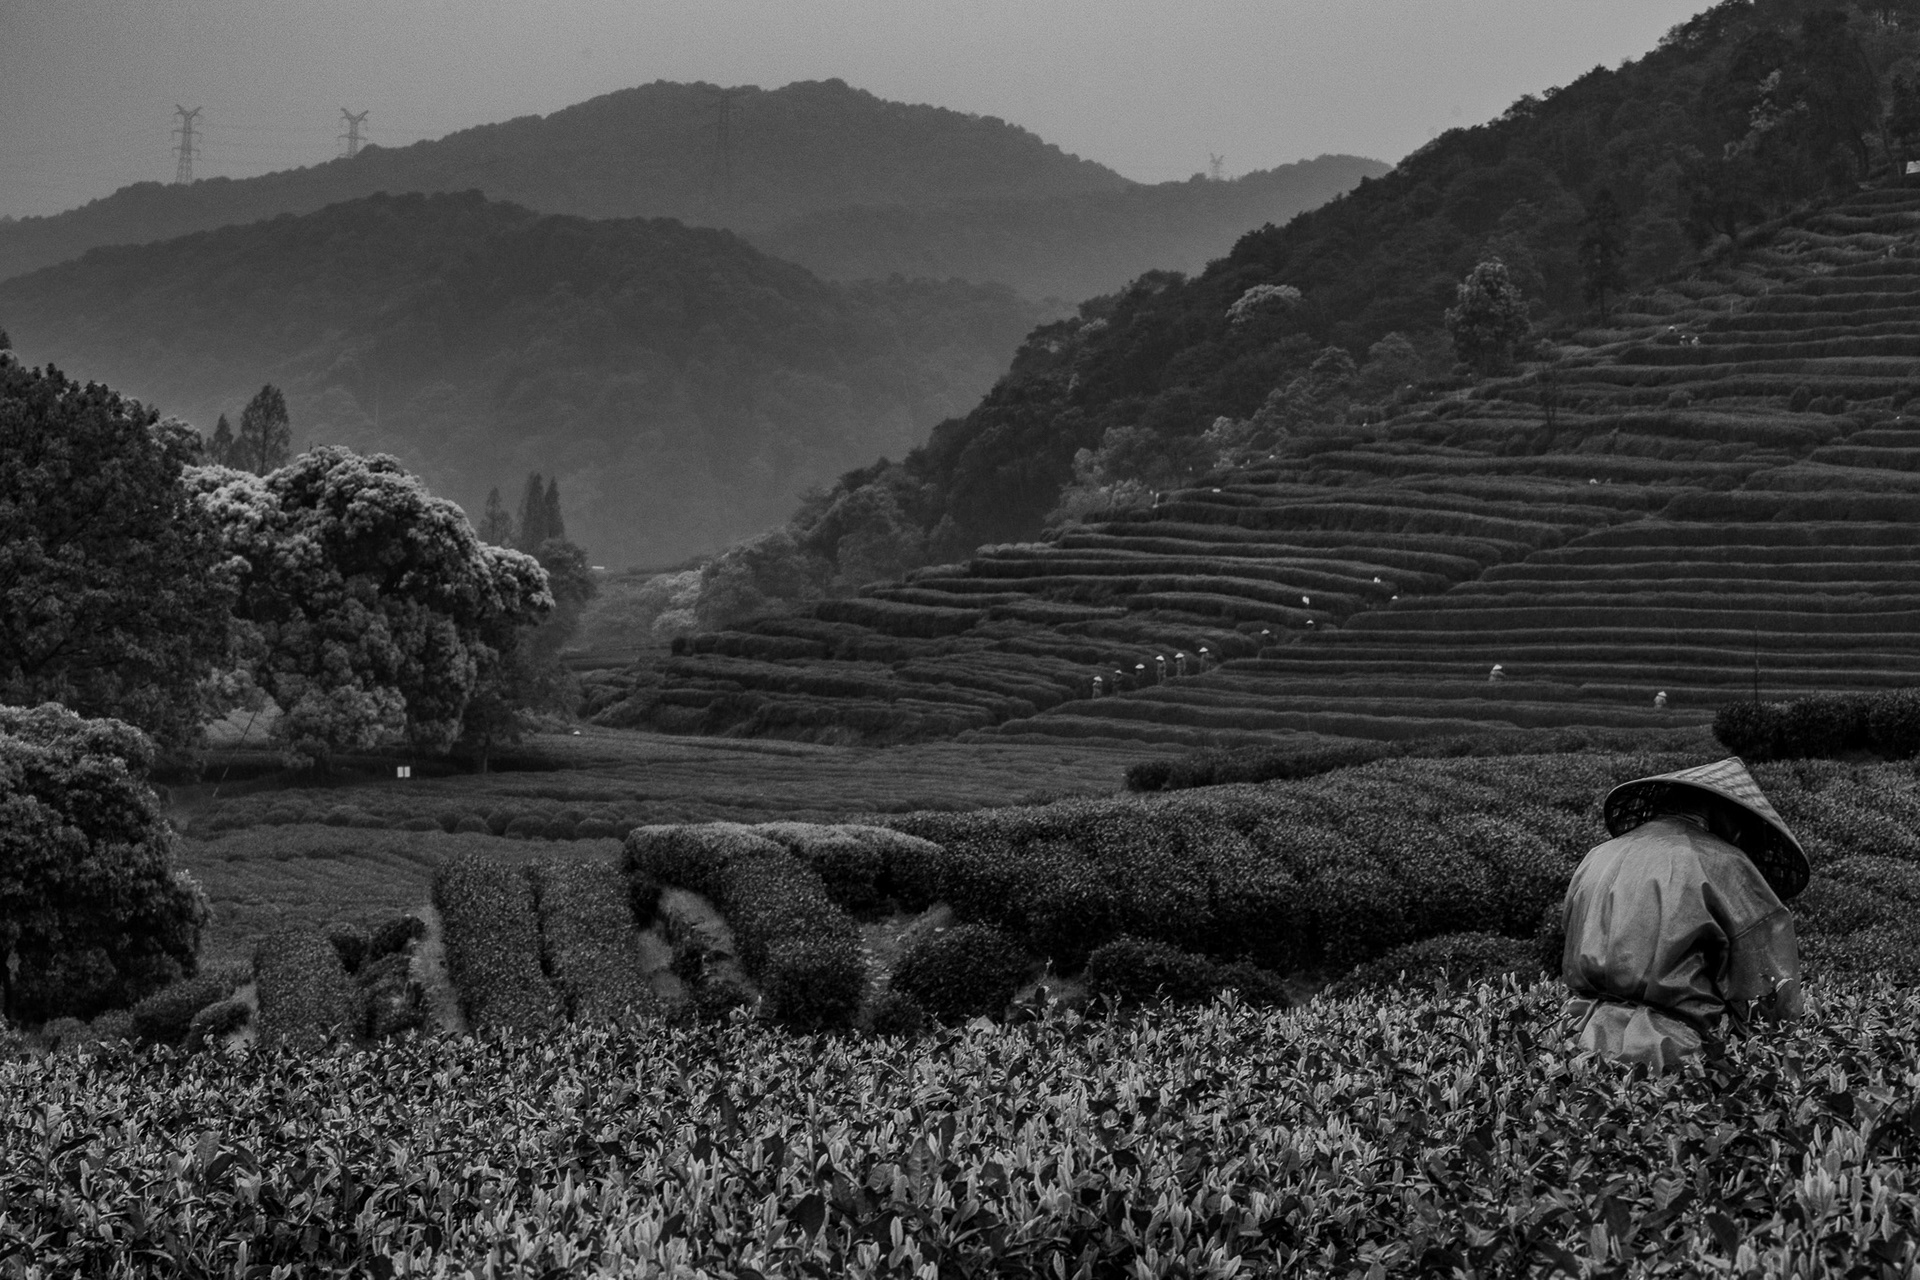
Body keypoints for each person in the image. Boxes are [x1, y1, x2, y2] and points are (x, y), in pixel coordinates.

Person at [1561, 757, 1807, 1073]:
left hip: (1577, 1040)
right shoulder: (1725, 863)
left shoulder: (1597, 856)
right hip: (1671, 1056)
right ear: (1724, 812)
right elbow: (1771, 993)